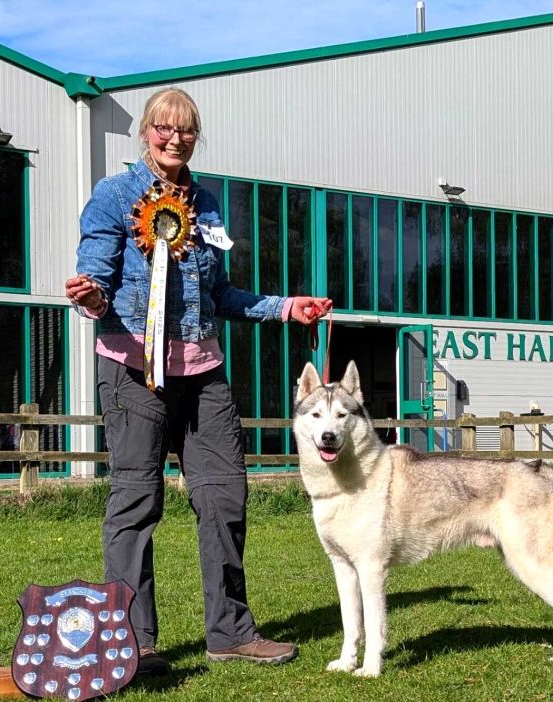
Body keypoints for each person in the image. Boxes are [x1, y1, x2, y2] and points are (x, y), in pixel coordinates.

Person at [65, 87, 332, 676]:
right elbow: (98, 276)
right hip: (133, 365)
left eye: (185, 129)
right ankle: (132, 644)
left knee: (225, 497)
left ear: (195, 136)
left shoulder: (206, 205)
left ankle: (230, 632)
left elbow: (219, 294)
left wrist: (288, 307)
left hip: (203, 371)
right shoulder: (114, 196)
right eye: (163, 127)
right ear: (145, 133)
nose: (173, 137)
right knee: (137, 501)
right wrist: (91, 295)